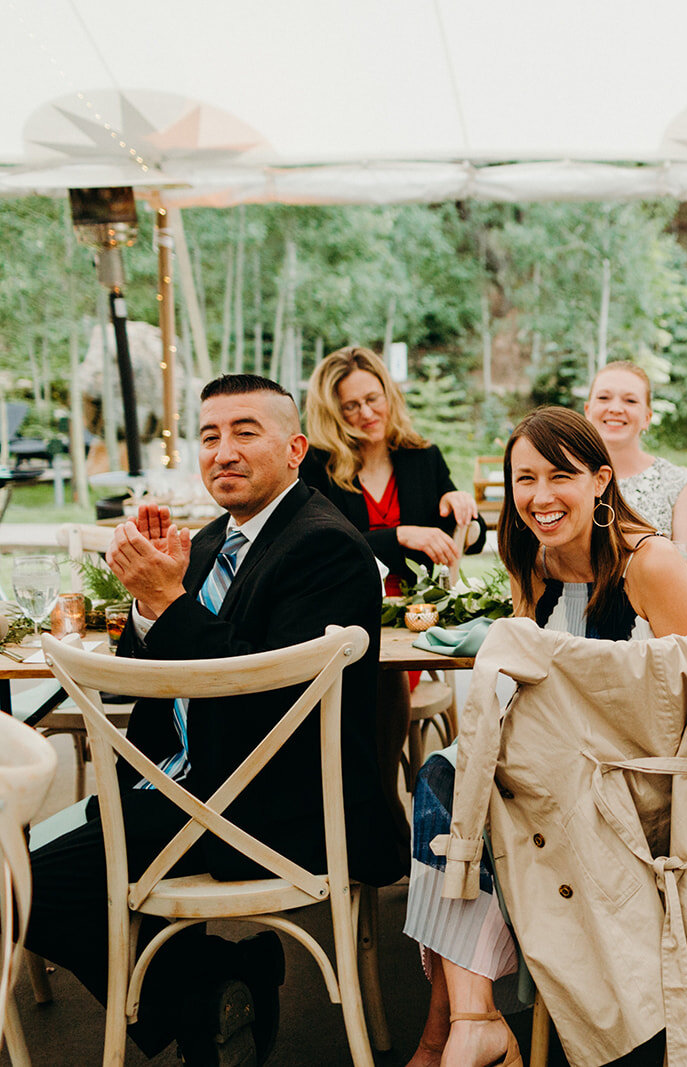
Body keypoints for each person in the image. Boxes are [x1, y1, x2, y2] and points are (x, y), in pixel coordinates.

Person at [26, 374, 407, 1066]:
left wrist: (168, 599)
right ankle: (222, 984)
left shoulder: (326, 546)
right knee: (20, 871)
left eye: (244, 431)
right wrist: (148, 605)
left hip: (267, 810)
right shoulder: (207, 542)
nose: (222, 450)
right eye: (208, 435)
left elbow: (264, 701)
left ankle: (212, 991)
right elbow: (153, 668)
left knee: (26, 884)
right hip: (180, 792)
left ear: (295, 449)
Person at [402, 406, 687, 1067]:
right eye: (524, 479)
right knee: (452, 778)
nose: (540, 497)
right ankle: (470, 1016)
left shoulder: (649, 562)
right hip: (555, 781)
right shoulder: (535, 563)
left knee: (449, 783)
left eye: (560, 476)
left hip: (641, 795)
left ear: (602, 480)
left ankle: (454, 1027)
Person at [300, 345, 484, 596]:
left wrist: (460, 505)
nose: (366, 413)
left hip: (420, 612)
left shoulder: (423, 457)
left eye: (372, 398)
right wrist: (400, 536)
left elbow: (475, 539)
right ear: (333, 413)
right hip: (343, 612)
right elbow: (321, 550)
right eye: (351, 406)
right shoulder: (315, 467)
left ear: (389, 395)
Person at [582, 360, 687, 583]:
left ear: (647, 418)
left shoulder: (677, 485)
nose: (615, 408)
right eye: (604, 398)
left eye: (630, 400)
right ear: (587, 410)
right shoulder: (562, 478)